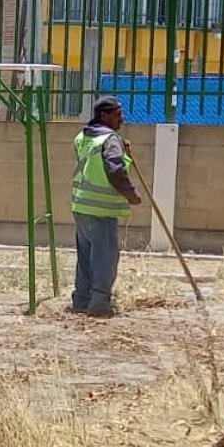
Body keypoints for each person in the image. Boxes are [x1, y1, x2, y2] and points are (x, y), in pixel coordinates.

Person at [70, 96, 142, 317]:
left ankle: (82, 300)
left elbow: (94, 165)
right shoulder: (110, 140)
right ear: (104, 116)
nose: (122, 119)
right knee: (105, 259)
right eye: (117, 115)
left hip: (81, 205)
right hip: (101, 210)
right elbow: (115, 170)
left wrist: (121, 146)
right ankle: (99, 304)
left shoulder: (83, 137)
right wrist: (130, 194)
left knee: (86, 258)